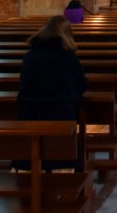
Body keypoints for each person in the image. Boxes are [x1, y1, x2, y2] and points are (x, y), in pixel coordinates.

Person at [16, 15, 87, 170]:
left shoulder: (29, 57)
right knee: (60, 158)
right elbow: (81, 85)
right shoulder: (69, 58)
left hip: (28, 115)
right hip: (60, 115)